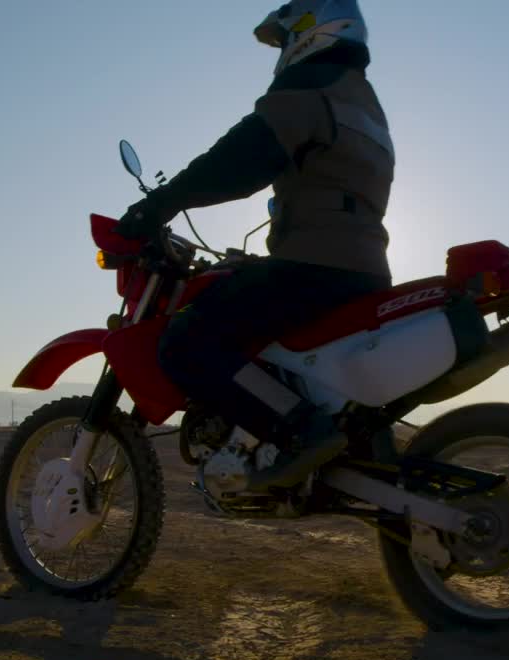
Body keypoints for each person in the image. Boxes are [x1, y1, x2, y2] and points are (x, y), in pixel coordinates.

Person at [113, 0, 394, 492]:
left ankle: (299, 430)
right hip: (364, 270)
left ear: (309, 31)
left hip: (315, 268)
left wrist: (158, 205)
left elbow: (239, 159)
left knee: (185, 343)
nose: (280, 54)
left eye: (284, 41)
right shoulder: (364, 104)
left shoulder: (310, 85)